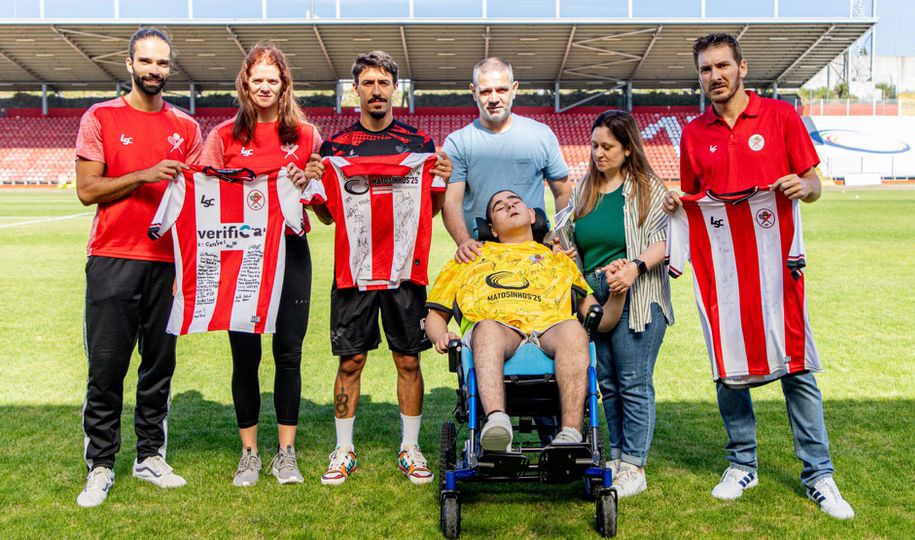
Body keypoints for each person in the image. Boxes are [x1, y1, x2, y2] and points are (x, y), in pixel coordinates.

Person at [664, 32, 854, 519]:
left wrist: (802, 185)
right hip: (724, 274)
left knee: (797, 365)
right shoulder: (693, 133)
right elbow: (692, 203)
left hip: (775, 263)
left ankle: (819, 474)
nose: (715, 77)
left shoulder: (780, 116)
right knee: (729, 367)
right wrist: (676, 210)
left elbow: (814, 184)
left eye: (723, 66)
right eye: (706, 70)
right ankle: (741, 463)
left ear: (742, 68)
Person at [303, 51, 452, 486]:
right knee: (351, 361)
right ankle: (344, 449)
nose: (376, 91)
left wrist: (438, 174)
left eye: (383, 83)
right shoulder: (334, 149)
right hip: (355, 270)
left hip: (406, 270)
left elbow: (433, 208)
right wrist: (316, 175)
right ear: (356, 90)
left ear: (395, 89)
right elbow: (328, 216)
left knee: (408, 359)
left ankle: (410, 448)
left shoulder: (418, 144)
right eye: (367, 83)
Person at [74, 28, 202, 507]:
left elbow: (196, 197)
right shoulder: (100, 117)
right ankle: (101, 465)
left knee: (158, 368)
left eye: (162, 64)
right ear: (129, 64)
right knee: (106, 368)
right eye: (146, 62)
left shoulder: (187, 128)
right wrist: (144, 175)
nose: (154, 71)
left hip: (167, 264)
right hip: (112, 259)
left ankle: (150, 456)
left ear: (171, 68)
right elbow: (88, 189)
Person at [199, 43, 322, 487]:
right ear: (245, 85)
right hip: (242, 256)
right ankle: (249, 453)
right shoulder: (222, 138)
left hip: (291, 253)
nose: (266, 87)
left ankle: (285, 453)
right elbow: (205, 200)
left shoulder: (306, 135)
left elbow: (322, 206)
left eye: (274, 79)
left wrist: (310, 180)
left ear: (284, 84)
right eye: (258, 80)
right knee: (244, 356)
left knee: (288, 354)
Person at [425, 190, 626, 451]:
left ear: (533, 215)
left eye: (515, 201)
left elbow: (602, 319)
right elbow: (435, 316)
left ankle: (570, 434)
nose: (509, 206)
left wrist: (618, 291)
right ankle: (497, 422)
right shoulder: (468, 258)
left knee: (575, 330)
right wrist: (441, 335)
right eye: (499, 207)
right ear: (492, 230)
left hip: (549, 330)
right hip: (497, 330)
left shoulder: (560, 261)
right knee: (486, 328)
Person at [565, 110, 672, 498]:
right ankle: (617, 456)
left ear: (628, 148)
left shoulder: (649, 188)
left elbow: (670, 237)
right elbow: (569, 237)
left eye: (607, 146)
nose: (598, 153)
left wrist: (635, 267)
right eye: (594, 146)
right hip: (594, 296)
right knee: (607, 383)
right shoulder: (585, 190)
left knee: (634, 382)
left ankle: (635, 465)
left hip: (637, 295)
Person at [442, 57, 571, 264]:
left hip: (536, 254)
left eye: (501, 90)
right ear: (473, 91)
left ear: (514, 89)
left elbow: (563, 191)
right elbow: (451, 201)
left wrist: (562, 237)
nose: (494, 98)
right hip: (482, 256)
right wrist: (464, 241)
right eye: (485, 91)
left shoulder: (541, 135)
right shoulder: (458, 142)